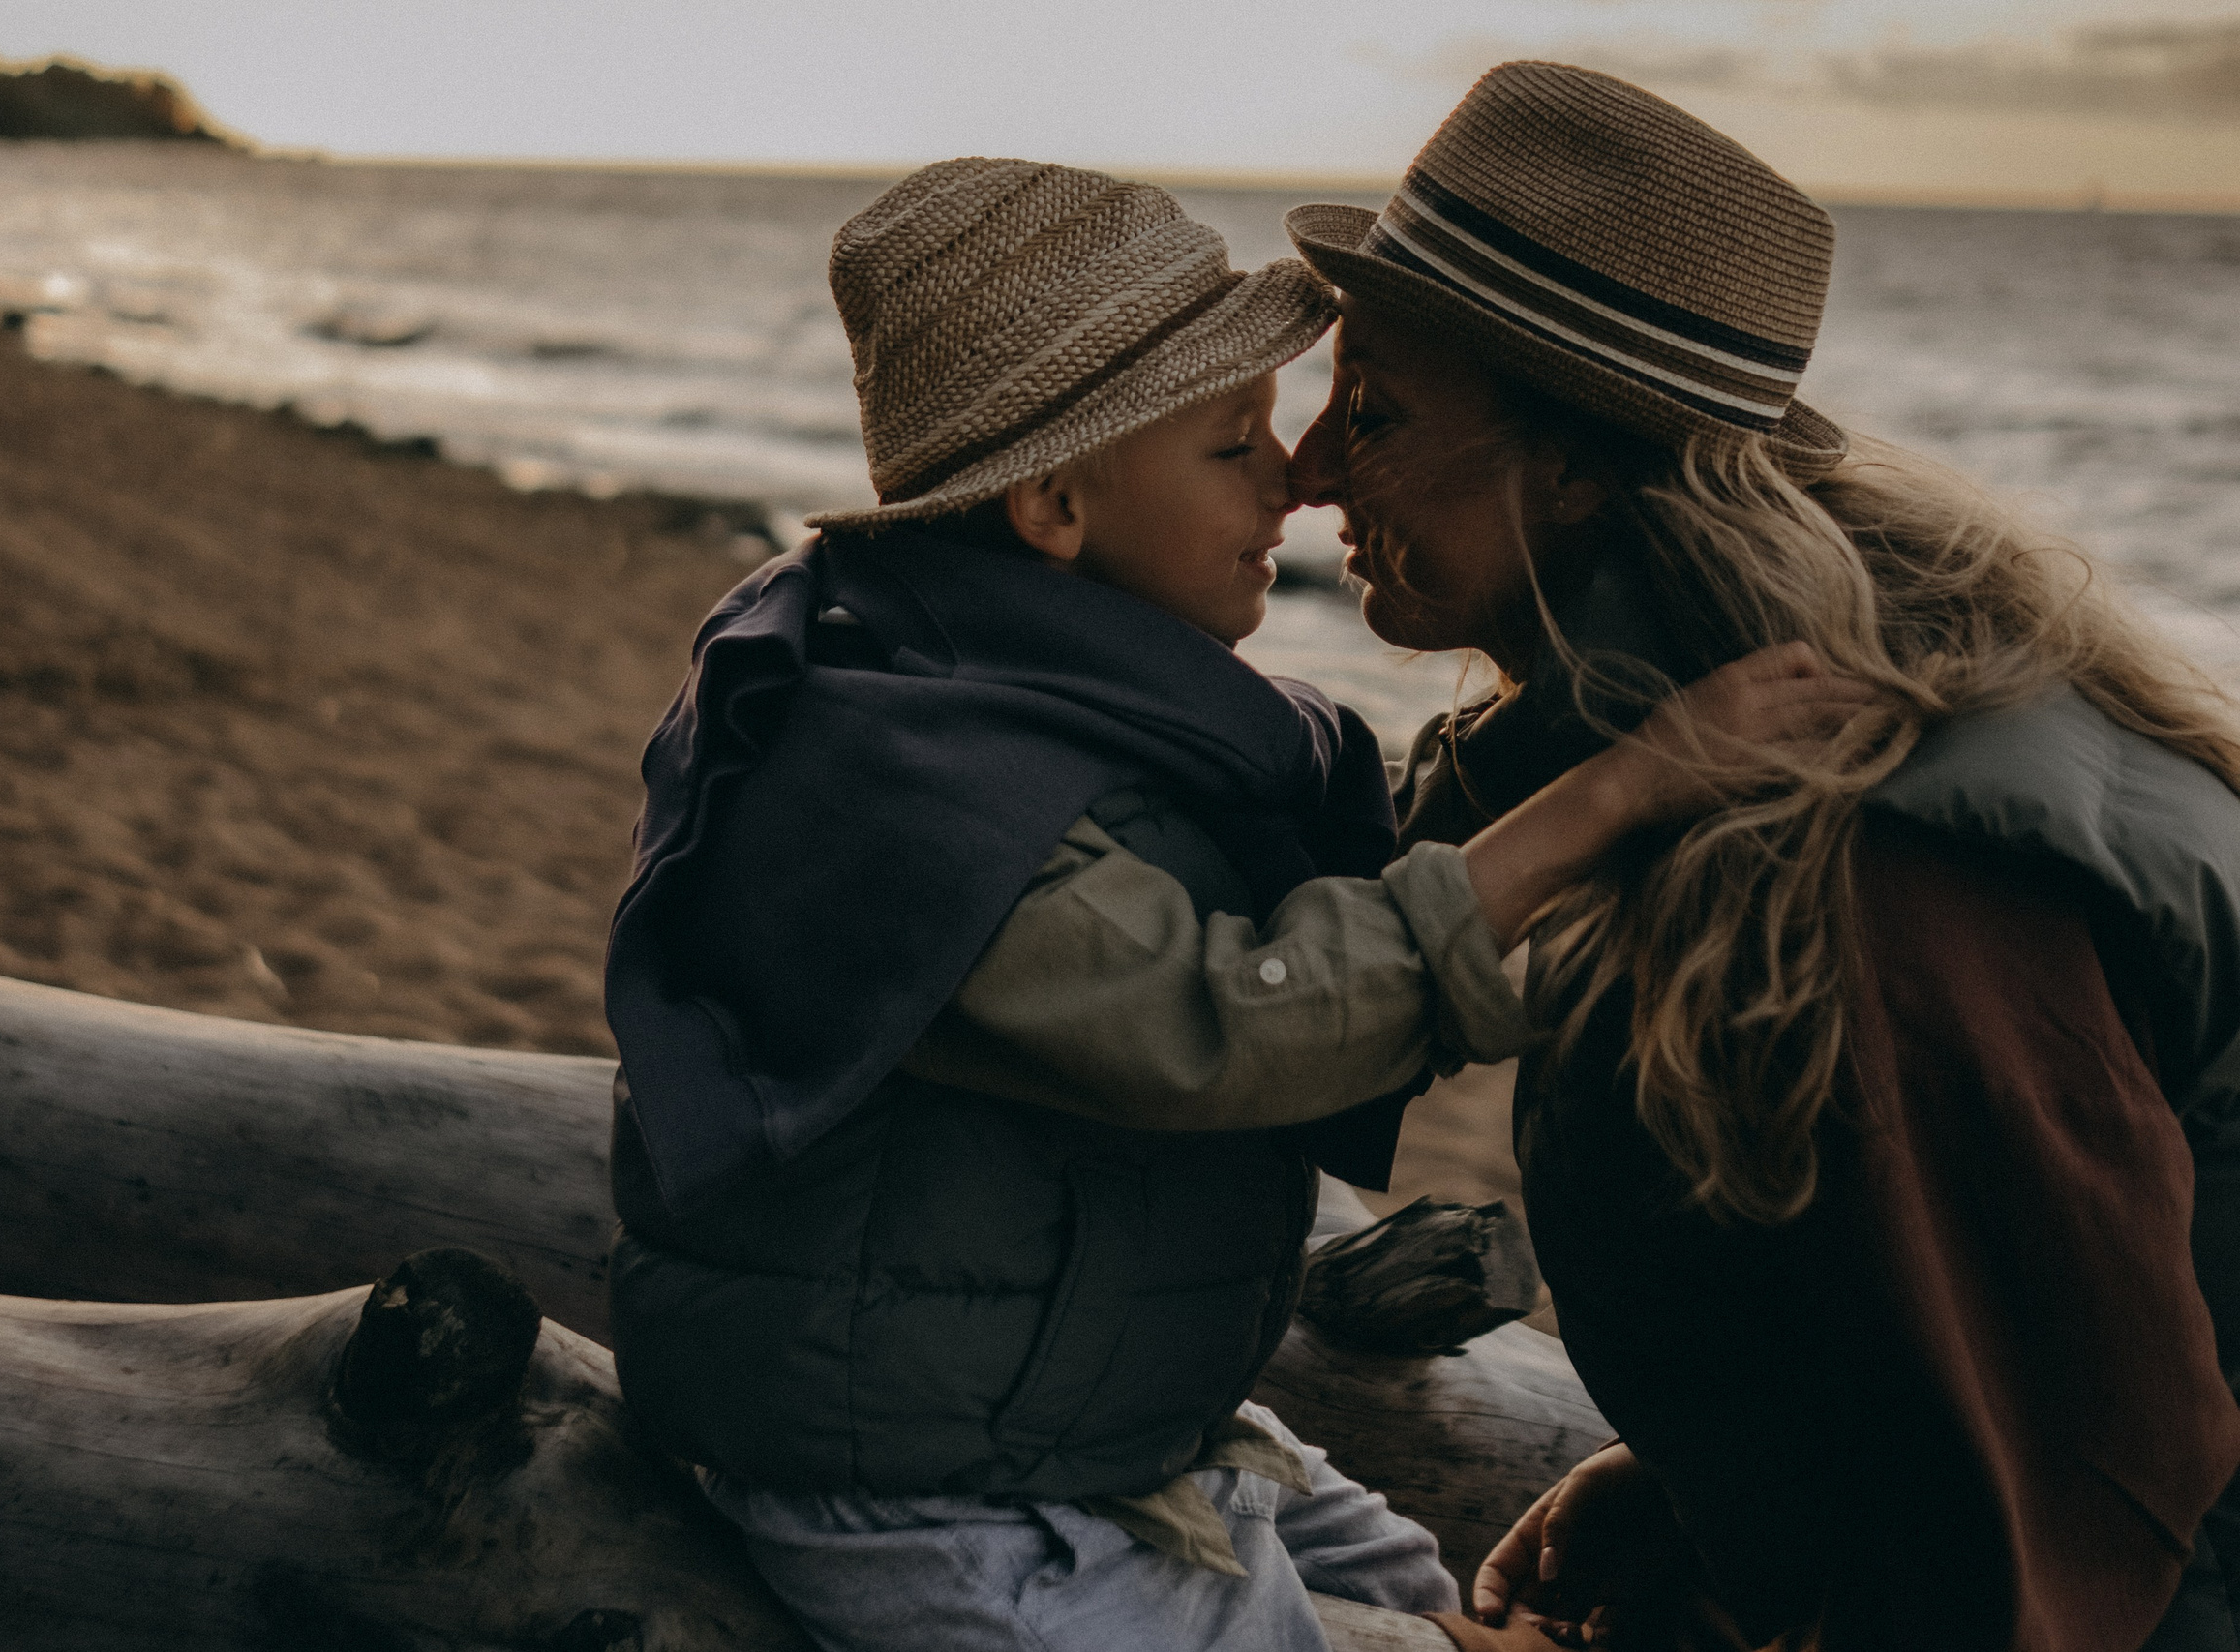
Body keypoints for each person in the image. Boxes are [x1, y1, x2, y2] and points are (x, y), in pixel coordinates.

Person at [600, 158, 1866, 1652]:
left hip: (1069, 1408)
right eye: (1234, 444)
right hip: (919, 1481)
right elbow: (1232, 1022)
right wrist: (1622, 792)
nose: (1296, 477)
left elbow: (1330, 930)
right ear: (1058, 505)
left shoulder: (1038, 697)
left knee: (1400, 1577)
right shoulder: (907, 789)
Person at [1276, 61, 2240, 1652]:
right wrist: (1716, 1485)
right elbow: (1967, 1333)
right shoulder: (1721, 754)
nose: (1309, 472)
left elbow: (2057, 1559)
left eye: (1370, 413)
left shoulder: (1877, 869)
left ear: (1580, 464)